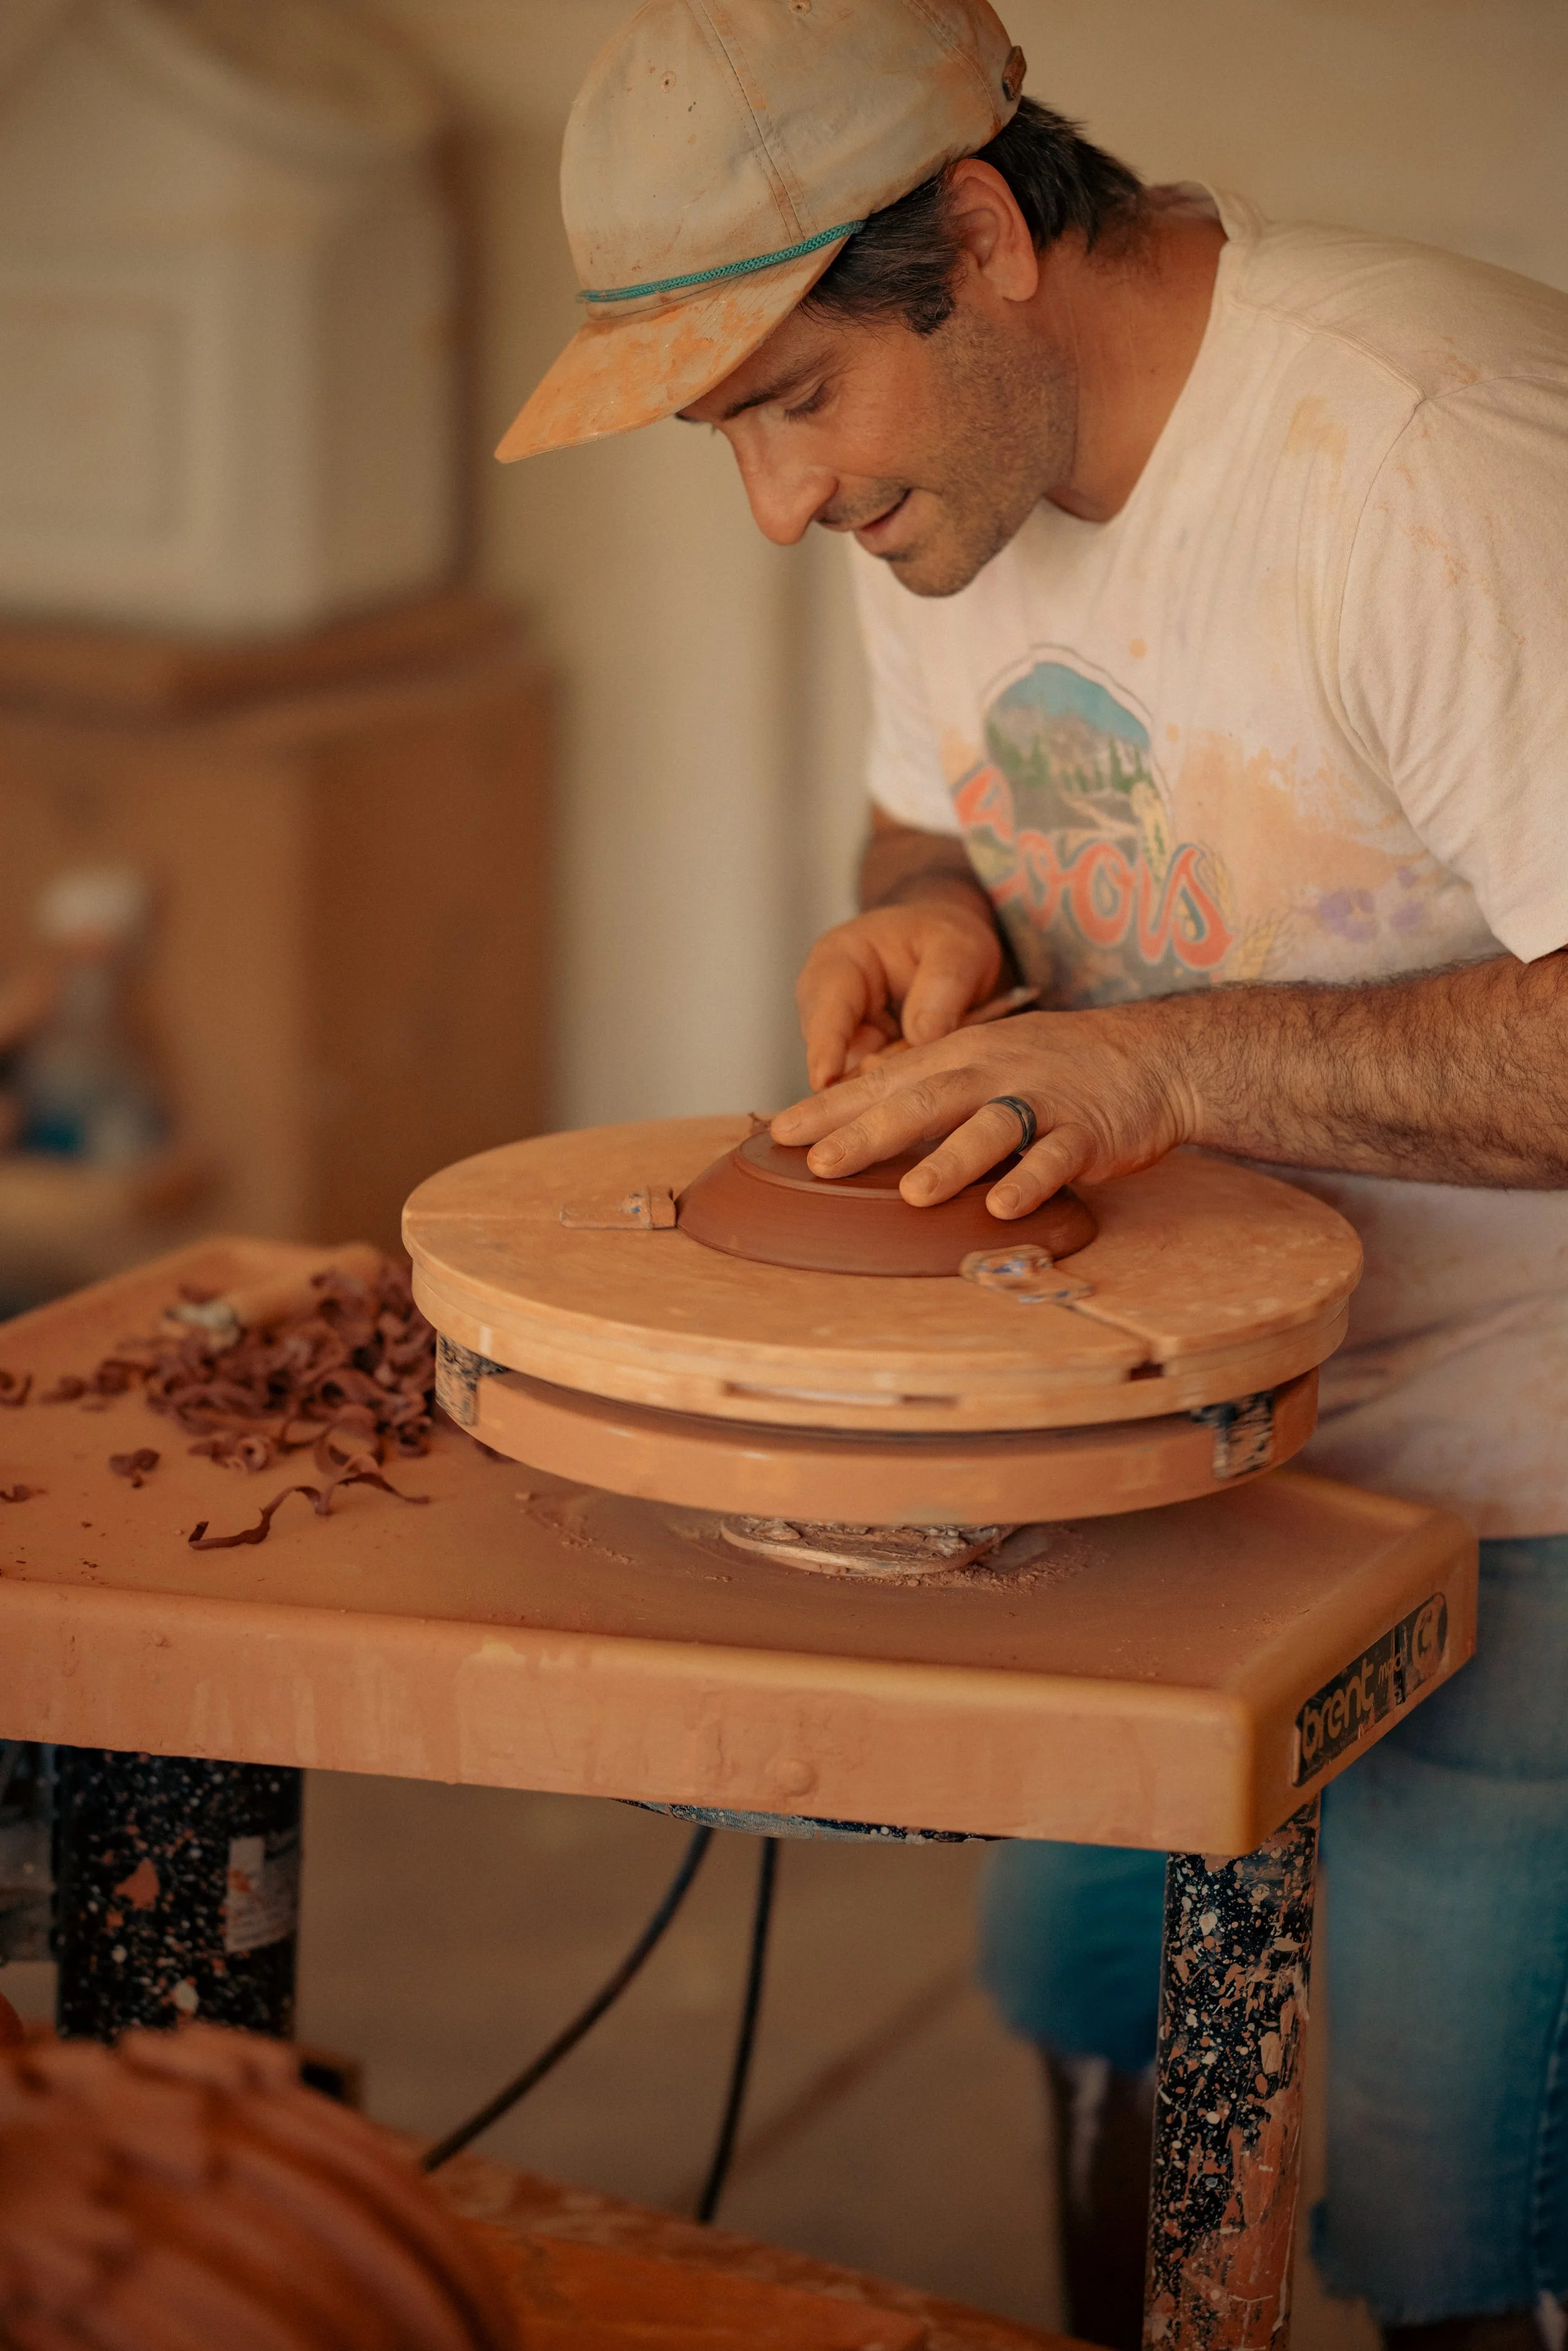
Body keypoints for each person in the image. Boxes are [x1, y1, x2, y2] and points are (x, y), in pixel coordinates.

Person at [497, 4, 1568, 2343]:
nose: (780, 507)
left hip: (1513, 1472)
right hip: (1146, 1447)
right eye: (731, 436)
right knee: (1098, 2002)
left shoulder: (1432, 454)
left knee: (1431, 2193)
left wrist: (1154, 1068)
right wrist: (940, 916)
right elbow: (937, 799)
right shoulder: (952, 472)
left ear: (976, 237)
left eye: (791, 403)